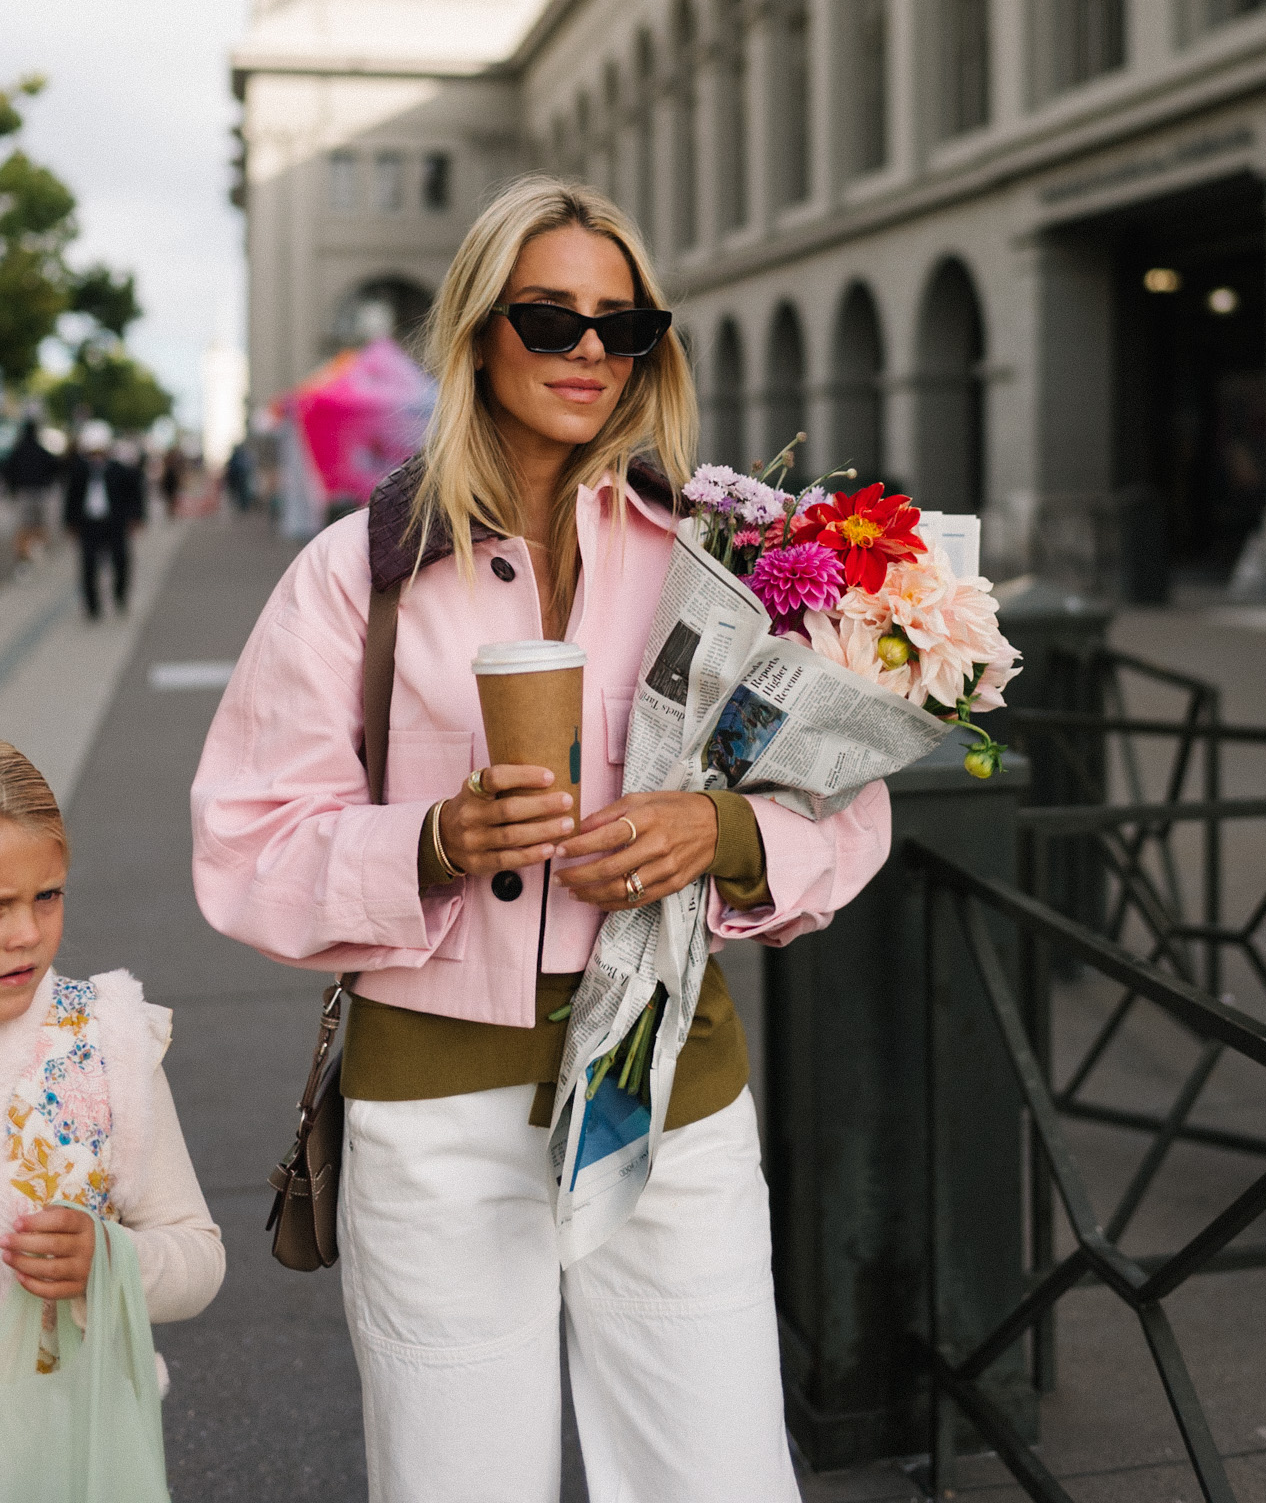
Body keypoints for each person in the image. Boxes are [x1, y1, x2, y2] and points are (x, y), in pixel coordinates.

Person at [191, 176, 891, 1503]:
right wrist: (432, 842)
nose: (588, 354)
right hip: (435, 1104)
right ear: (476, 328)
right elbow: (245, 844)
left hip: (664, 1082)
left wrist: (724, 832)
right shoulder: (361, 572)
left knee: (719, 1476)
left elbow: (849, 807)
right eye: (550, 318)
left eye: (622, 328)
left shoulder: (717, 557)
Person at [0, 742, 225, 1405]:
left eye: (47, 897)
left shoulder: (105, 1039)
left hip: (77, 1434)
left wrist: (110, 1260)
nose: (25, 933)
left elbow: (197, 1255)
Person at [63, 420, 146, 619]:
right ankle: (92, 607)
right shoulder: (79, 471)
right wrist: (70, 522)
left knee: (121, 561)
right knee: (88, 565)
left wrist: (136, 517)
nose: (97, 457)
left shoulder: (120, 470)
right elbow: (71, 498)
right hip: (89, 524)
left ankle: (120, 597)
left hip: (114, 523)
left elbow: (134, 494)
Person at [2, 415, 61, 562]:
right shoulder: (40, 450)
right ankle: (35, 551)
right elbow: (55, 467)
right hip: (39, 491)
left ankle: (25, 554)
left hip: (23, 492)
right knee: (38, 524)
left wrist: (12, 487)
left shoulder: (18, 451)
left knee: (24, 525)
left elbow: (7, 470)